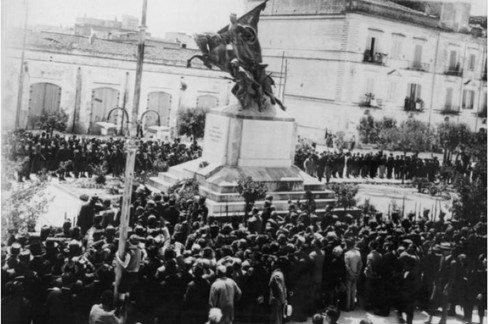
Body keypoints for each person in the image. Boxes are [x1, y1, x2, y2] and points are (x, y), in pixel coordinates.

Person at [344, 238, 362, 312]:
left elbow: (347, 266)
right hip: (356, 274)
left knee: (348, 291)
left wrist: (351, 273)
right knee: (353, 290)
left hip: (349, 274)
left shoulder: (347, 254)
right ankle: (352, 306)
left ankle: (347, 307)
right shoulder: (358, 253)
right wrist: (357, 273)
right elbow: (360, 264)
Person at [269, 257, 288, 324]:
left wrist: (280, 300)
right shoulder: (279, 273)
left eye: (272, 262)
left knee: (276, 320)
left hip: (277, 301)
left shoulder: (276, 275)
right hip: (278, 300)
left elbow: (280, 289)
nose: (271, 264)